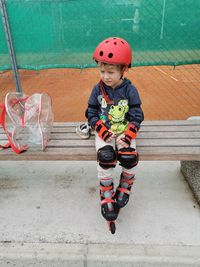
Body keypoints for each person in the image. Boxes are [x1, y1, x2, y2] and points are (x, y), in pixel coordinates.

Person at [87, 37, 144, 222]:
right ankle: (106, 193)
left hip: (124, 132)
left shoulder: (130, 90)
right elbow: (91, 112)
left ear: (123, 70)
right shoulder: (97, 89)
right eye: (102, 71)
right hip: (105, 130)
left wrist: (128, 135)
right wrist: (101, 130)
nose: (105, 76)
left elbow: (137, 115)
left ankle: (126, 184)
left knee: (129, 157)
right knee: (106, 157)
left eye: (111, 72)